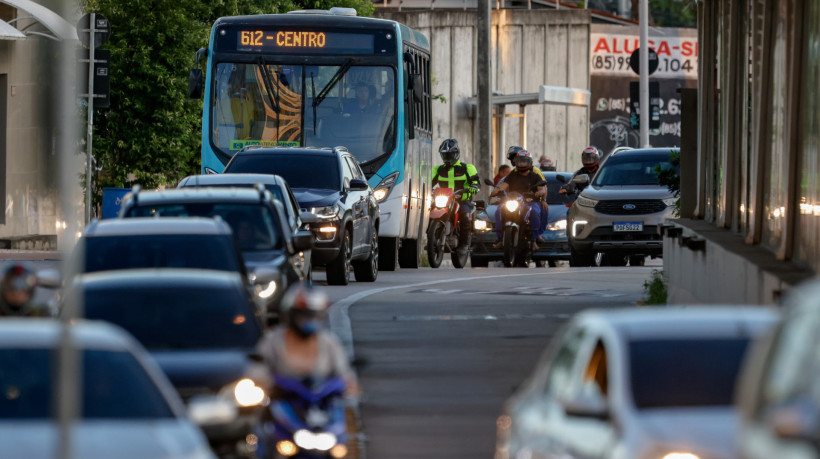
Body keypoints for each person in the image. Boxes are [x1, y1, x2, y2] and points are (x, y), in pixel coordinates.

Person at [256, 284, 359, 396]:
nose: (311, 320)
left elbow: (345, 375)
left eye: (315, 315)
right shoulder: (273, 340)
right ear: (291, 314)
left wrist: (349, 387)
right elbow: (257, 369)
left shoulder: (329, 343)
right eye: (305, 315)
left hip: (322, 403)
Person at [431, 138, 480, 255]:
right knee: (429, 212)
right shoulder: (437, 169)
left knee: (464, 216)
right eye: (445, 155)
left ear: (456, 153)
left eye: (450, 155)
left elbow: (476, 182)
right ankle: (431, 238)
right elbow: (428, 182)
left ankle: (464, 244)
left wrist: (474, 187)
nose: (447, 157)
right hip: (444, 200)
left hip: (462, 200)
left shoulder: (467, 168)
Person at [491, 151, 547, 251]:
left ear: (529, 162)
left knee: (535, 211)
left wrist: (540, 192)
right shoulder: (512, 174)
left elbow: (542, 188)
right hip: (513, 201)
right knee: (498, 210)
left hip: (529, 201)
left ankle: (534, 240)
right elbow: (503, 185)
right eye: (519, 161)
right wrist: (496, 191)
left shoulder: (535, 175)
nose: (521, 163)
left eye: (524, 161)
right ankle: (500, 238)